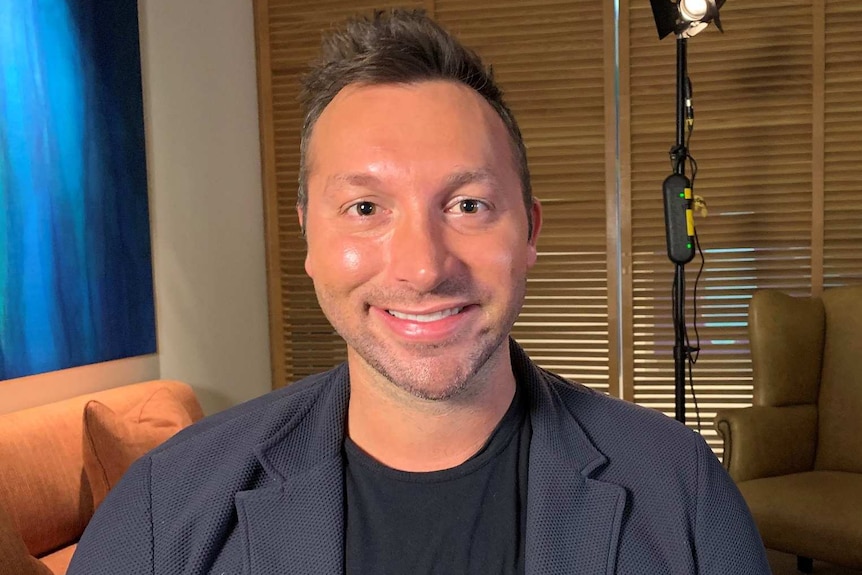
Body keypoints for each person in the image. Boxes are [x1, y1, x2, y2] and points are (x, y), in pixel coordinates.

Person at [68, 9, 769, 574]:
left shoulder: (685, 495)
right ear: (309, 238)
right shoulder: (164, 509)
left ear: (529, 231)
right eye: (366, 208)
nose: (423, 268)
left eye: (467, 205)